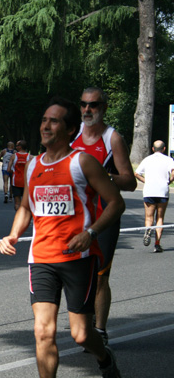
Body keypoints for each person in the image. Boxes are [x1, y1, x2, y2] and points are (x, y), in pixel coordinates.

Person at [0, 96, 124, 378]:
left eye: (54, 121)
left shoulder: (83, 163)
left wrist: (90, 233)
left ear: (70, 130)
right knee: (43, 332)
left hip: (77, 258)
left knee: (81, 334)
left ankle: (104, 358)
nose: (46, 126)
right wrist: (13, 235)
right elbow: (26, 208)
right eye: (44, 120)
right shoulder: (32, 165)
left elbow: (116, 202)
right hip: (41, 258)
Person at [71, 86, 136, 345]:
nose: (88, 110)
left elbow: (130, 181)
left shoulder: (112, 139)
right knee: (74, 273)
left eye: (94, 105)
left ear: (104, 108)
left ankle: (99, 329)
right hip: (74, 217)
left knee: (100, 276)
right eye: (84, 104)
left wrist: (102, 176)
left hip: (104, 217)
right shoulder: (71, 134)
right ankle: (82, 324)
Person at [134, 140, 174, 253]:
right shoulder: (169, 160)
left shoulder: (147, 159)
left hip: (149, 190)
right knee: (160, 218)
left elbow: (136, 173)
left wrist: (145, 181)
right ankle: (157, 244)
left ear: (152, 149)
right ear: (164, 149)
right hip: (162, 190)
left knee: (148, 216)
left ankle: (148, 230)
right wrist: (169, 181)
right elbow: (173, 172)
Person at [8, 140, 31, 211]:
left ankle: (18, 217)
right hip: (26, 183)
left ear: (20, 147)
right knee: (25, 203)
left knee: (17, 203)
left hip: (16, 182)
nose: (16, 147)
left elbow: (8, 169)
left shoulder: (14, 156)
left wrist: (15, 172)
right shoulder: (30, 157)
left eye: (17, 145)